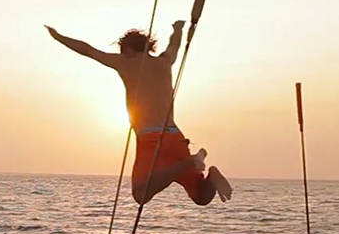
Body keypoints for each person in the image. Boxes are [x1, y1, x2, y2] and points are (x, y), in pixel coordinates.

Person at [46, 20, 233, 206]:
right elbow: (174, 45)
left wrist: (59, 37)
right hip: (175, 137)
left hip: (150, 138)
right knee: (201, 197)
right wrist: (178, 29)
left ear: (128, 50)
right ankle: (201, 165)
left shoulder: (125, 61)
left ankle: (187, 163)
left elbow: (88, 51)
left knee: (141, 195)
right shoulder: (165, 61)